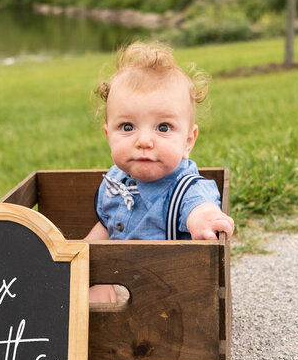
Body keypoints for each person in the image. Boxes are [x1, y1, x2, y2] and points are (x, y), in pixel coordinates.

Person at [85, 42, 235, 305]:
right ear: (108, 136)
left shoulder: (186, 186)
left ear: (188, 140)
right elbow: (107, 228)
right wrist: (79, 253)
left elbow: (199, 205)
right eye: (127, 126)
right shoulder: (114, 181)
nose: (144, 141)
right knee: (86, 296)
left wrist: (205, 219)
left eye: (163, 128)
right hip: (119, 283)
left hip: (167, 296)